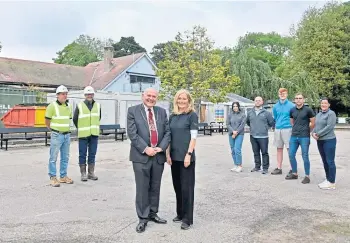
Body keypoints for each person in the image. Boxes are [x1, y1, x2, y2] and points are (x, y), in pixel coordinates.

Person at [126, 87, 171, 233]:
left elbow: (168, 132)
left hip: (158, 156)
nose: (151, 98)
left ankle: (153, 213)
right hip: (141, 156)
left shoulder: (161, 112)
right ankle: (143, 218)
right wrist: (146, 149)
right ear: (142, 96)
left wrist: (161, 148)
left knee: (155, 186)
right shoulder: (133, 111)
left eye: (154, 96)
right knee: (142, 187)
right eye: (148, 95)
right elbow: (132, 133)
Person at [167, 89, 198, 230]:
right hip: (174, 157)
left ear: (189, 101)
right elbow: (168, 136)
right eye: (179, 98)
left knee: (187, 188)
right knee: (177, 187)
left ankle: (187, 218)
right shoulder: (173, 116)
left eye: (184, 99)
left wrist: (189, 154)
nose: (181, 101)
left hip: (186, 157)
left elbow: (193, 137)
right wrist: (167, 154)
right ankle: (179, 213)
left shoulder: (192, 115)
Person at [45, 85, 73, 187]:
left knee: (65, 157)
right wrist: (52, 130)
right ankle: (53, 177)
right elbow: (47, 120)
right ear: (57, 95)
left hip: (67, 135)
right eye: (62, 94)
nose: (64, 96)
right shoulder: (52, 106)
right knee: (53, 157)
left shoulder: (69, 106)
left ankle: (63, 176)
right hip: (57, 134)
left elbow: (68, 119)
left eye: (66, 94)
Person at [73, 86, 101, 182]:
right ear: (85, 95)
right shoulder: (80, 105)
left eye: (91, 94)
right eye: (88, 94)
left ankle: (91, 173)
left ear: (93, 95)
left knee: (92, 154)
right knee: (82, 154)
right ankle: (83, 173)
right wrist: (80, 128)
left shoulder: (97, 105)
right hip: (83, 134)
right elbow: (75, 119)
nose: (89, 95)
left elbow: (98, 117)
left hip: (94, 134)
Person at [286, 93, 315, 184]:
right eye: (296, 98)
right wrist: (296, 128)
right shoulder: (292, 110)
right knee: (291, 154)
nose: (298, 100)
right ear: (294, 100)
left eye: (300, 98)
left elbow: (313, 122)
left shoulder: (308, 110)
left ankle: (307, 176)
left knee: (305, 156)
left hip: (304, 137)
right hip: (294, 136)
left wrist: (307, 130)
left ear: (303, 100)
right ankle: (294, 173)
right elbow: (292, 122)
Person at [311, 98, 337, 190]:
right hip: (320, 141)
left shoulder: (331, 114)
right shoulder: (319, 114)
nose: (323, 105)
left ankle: (332, 182)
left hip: (329, 140)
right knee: (324, 161)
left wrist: (318, 134)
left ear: (329, 105)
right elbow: (316, 125)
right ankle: (328, 179)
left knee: (330, 161)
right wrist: (313, 133)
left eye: (325, 103)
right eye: (322, 103)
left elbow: (329, 127)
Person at [246, 96, 275, 174]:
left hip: (263, 137)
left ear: (262, 102)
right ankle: (257, 166)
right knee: (256, 152)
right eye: (256, 100)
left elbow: (271, 123)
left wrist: (265, 128)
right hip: (253, 136)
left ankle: (265, 168)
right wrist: (253, 128)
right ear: (254, 102)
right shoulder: (250, 113)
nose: (257, 102)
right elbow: (248, 122)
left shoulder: (267, 113)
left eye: (259, 100)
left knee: (264, 152)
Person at [271, 88, 295, 175]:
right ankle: (279, 168)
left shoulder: (292, 105)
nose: (282, 95)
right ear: (278, 94)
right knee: (279, 149)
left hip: (288, 129)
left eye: (284, 93)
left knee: (289, 149)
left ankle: (293, 168)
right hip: (278, 129)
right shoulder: (275, 106)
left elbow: (294, 118)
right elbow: (276, 117)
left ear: (287, 94)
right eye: (280, 93)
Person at [226, 101, 246, 172]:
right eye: (233, 106)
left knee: (237, 149)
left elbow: (242, 125)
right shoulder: (230, 115)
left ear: (238, 107)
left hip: (239, 134)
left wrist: (236, 132)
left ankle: (239, 165)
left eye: (236, 106)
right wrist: (233, 131)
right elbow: (228, 124)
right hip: (231, 134)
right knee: (233, 150)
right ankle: (235, 164)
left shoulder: (242, 115)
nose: (235, 107)